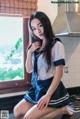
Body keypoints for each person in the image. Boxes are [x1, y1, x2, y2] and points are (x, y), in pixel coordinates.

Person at [14, 11, 74, 119]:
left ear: (46, 24)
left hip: (51, 89)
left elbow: (59, 74)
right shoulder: (35, 47)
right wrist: (29, 52)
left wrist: (48, 95)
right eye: (33, 28)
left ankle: (61, 109)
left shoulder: (57, 45)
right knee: (17, 112)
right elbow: (28, 70)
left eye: (40, 25)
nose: (38, 31)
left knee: (28, 118)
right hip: (38, 88)